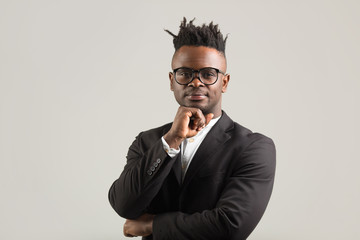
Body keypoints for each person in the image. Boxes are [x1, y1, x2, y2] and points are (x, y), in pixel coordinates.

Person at [108, 18, 276, 240]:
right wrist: (171, 141)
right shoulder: (148, 142)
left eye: (208, 74)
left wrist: (153, 225)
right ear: (172, 81)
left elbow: (230, 225)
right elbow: (124, 205)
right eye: (185, 73)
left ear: (224, 83)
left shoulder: (253, 147)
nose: (196, 82)